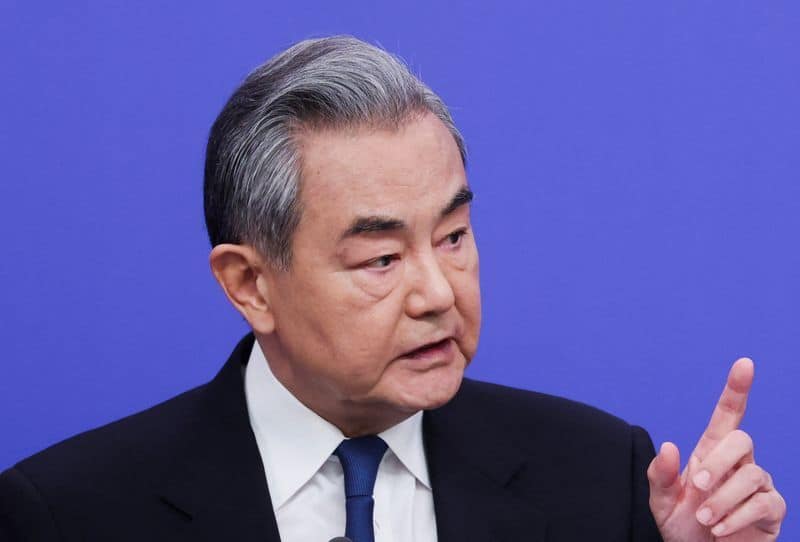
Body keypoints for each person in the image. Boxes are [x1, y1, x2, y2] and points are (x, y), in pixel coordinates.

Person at [0, 36, 785, 542]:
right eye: (381, 259)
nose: (438, 292)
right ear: (250, 284)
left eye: (453, 237)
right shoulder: (67, 515)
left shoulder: (602, 479)